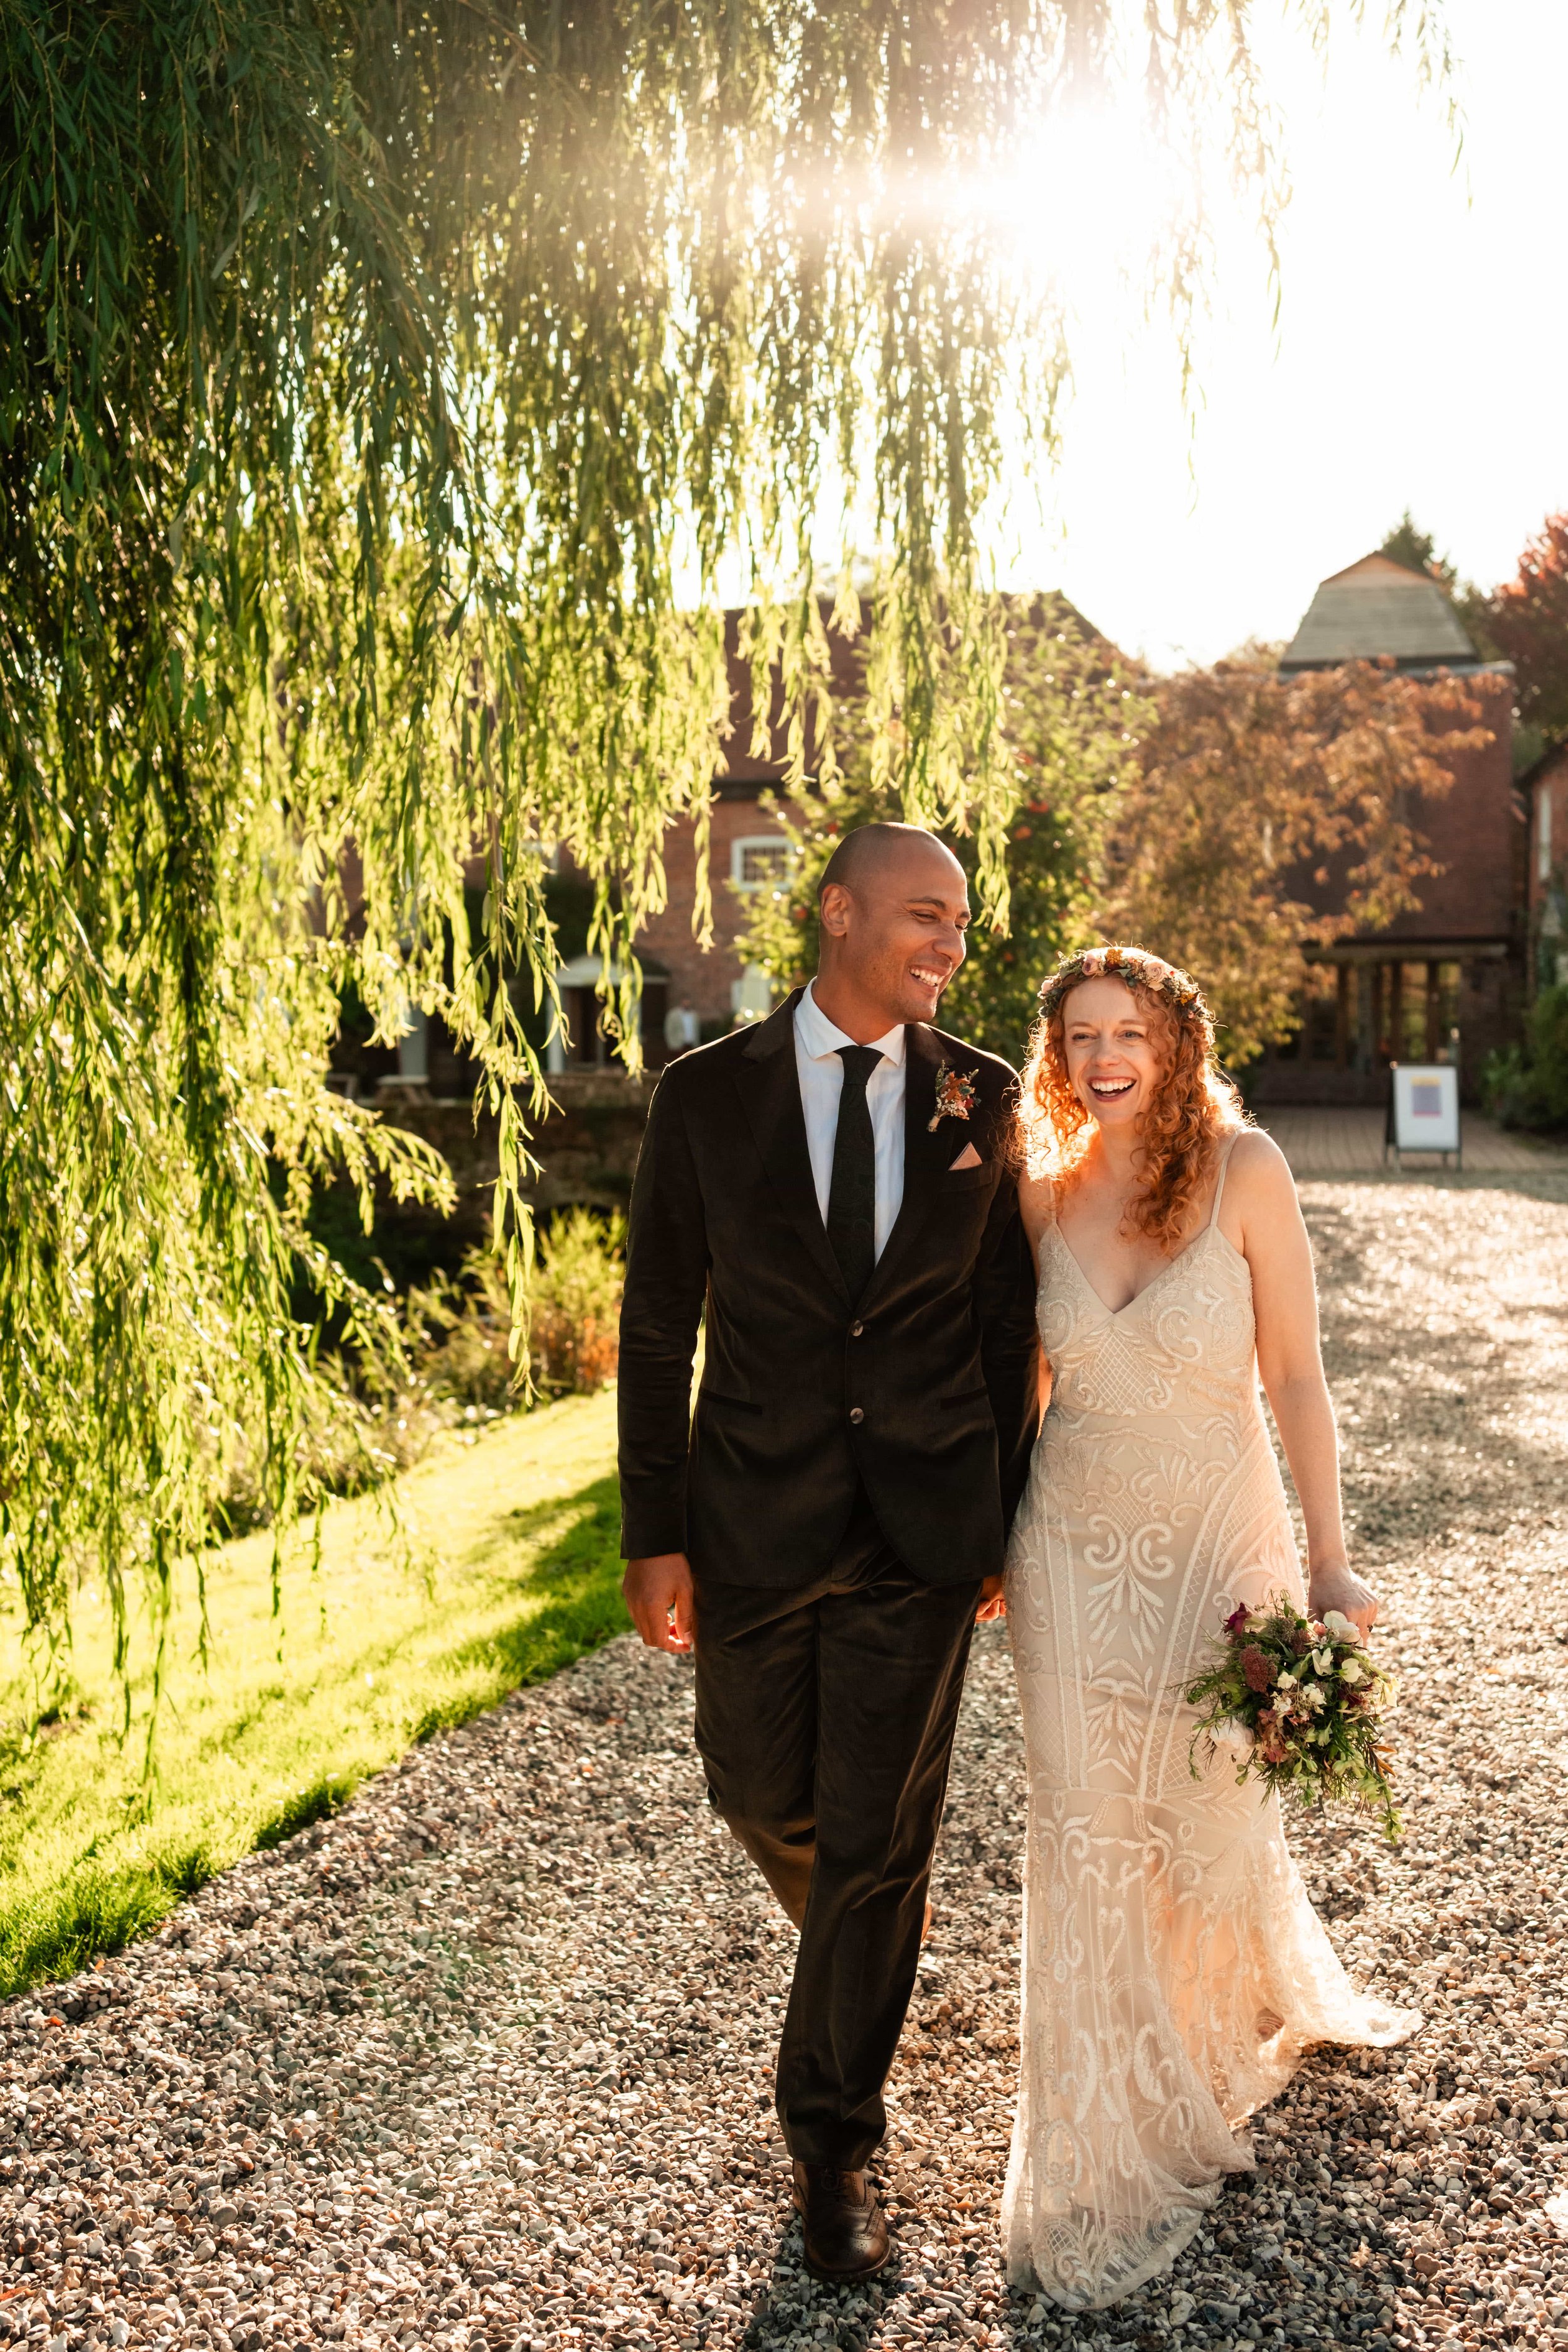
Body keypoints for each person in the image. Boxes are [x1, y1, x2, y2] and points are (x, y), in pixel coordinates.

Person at [617, 824, 1041, 2280]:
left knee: (871, 1833)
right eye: (927, 914)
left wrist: (1004, 1510)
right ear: (836, 909)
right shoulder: (703, 1098)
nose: (951, 943)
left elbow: (1005, 1325)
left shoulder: (985, 1096)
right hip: (747, 1517)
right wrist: (652, 1532)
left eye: (964, 924)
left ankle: (831, 2155)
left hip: (921, 1534)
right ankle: (865, 1934)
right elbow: (658, 1321)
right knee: (751, 1788)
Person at [1002, 944, 1421, 2311]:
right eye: (1078, 1037)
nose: (1101, 1056)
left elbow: (1295, 1377)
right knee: (1082, 1823)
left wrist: (1330, 1563)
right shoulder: (1038, 1192)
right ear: (1055, 1055)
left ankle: (1206, 2021)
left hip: (1214, 1547)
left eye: (1127, 1031)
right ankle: (1109, 2123)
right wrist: (970, 1552)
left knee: (1201, 1817)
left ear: (1173, 1043)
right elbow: (1017, 1389)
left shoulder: (1245, 1171)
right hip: (1065, 1544)